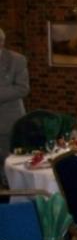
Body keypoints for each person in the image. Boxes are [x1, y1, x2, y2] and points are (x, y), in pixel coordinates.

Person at [0, 27, 30, 184]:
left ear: (2, 42)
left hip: (8, 121)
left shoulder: (16, 60)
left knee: (9, 165)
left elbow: (22, 88)